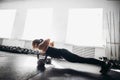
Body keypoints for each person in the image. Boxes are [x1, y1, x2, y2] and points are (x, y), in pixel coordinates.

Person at [32, 38, 111, 74]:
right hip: (64, 54)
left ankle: (103, 64)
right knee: (82, 59)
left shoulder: (40, 46)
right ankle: (102, 64)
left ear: (36, 44)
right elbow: (45, 55)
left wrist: (45, 43)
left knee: (83, 60)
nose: (35, 47)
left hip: (64, 54)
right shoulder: (42, 48)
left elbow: (48, 39)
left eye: (34, 45)